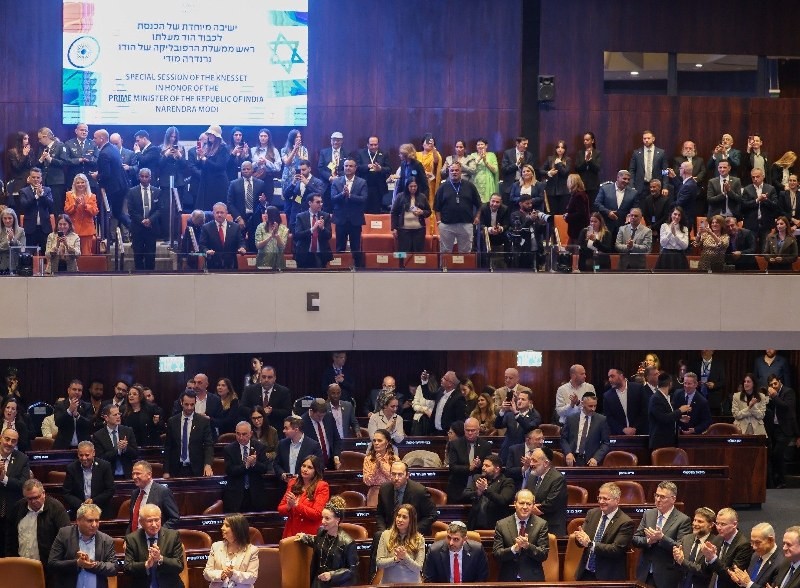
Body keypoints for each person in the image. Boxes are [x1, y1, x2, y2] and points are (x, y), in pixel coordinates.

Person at [632, 480, 693, 588]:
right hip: (645, 573)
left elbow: (682, 547)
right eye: (657, 495)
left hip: (666, 576)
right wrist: (648, 541)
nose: (658, 500)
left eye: (662, 497)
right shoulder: (648, 514)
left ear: (673, 499)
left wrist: (662, 538)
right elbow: (635, 539)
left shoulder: (683, 520)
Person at [572, 482, 634, 580]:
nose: (601, 501)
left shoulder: (625, 522)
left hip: (608, 577)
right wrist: (579, 538)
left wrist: (590, 544)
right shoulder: (592, 513)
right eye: (599, 498)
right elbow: (582, 541)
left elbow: (616, 550)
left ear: (617, 500)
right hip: (585, 574)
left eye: (605, 498)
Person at [47, 503, 117, 588]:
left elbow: (113, 567)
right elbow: (52, 564)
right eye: (90, 521)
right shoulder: (64, 534)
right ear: (78, 521)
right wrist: (77, 563)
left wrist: (92, 564)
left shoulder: (106, 540)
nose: (94, 525)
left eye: (97, 520)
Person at [296, 497, 358, 588]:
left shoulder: (348, 542)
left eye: (327, 518)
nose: (322, 521)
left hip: (336, 584)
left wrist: (332, 575)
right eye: (322, 517)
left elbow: (352, 571)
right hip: (318, 582)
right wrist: (304, 537)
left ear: (337, 520)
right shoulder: (321, 532)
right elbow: (317, 542)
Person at [6, 478, 71, 566]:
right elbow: (10, 536)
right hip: (21, 564)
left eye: (36, 497)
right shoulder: (18, 507)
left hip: (47, 566)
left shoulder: (56, 509)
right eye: (29, 499)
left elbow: (66, 539)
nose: (33, 502)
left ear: (43, 493)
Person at [493, 489, 550, 581]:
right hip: (508, 579)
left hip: (532, 579)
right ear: (515, 503)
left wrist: (528, 546)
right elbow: (497, 555)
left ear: (533, 505)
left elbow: (543, 555)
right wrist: (513, 549)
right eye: (522, 503)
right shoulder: (501, 524)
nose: (525, 507)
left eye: (529, 504)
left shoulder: (541, 524)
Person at [124, 503, 185, 588]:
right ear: (141, 522)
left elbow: (179, 565)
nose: (154, 524)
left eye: (157, 520)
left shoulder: (173, 536)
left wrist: (160, 558)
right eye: (149, 521)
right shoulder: (132, 539)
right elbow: (127, 568)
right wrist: (146, 565)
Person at [375, 461, 437, 536]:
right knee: (378, 535)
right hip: (390, 533)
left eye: (400, 475)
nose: (396, 478)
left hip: (412, 534)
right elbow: (380, 514)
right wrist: (383, 532)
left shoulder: (419, 491)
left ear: (407, 475)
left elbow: (432, 515)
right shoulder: (384, 489)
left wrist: (412, 531)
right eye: (393, 474)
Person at [163, 390, 214, 478]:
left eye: (192, 404)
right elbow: (168, 447)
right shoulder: (172, 421)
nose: (189, 407)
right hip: (176, 469)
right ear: (181, 402)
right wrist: (166, 471)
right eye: (186, 404)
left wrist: (208, 464)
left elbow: (208, 445)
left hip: (196, 468)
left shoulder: (203, 422)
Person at [700, 507, 754, 588]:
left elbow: (733, 578)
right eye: (717, 523)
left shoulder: (743, 545)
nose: (718, 527)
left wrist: (713, 558)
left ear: (734, 524)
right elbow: (705, 571)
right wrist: (707, 558)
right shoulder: (718, 538)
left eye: (723, 524)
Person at [435, 162, 482, 253]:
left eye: (456, 170)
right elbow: (437, 207)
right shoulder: (442, 187)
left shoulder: (470, 186)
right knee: (445, 252)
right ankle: (445, 264)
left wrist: (477, 217)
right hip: (446, 225)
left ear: (461, 172)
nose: (454, 172)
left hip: (466, 224)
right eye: (452, 170)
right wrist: (439, 222)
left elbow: (479, 204)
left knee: (465, 252)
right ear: (449, 172)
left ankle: (464, 264)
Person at [223, 421, 270, 513]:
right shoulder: (229, 449)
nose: (241, 437)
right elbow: (229, 470)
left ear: (251, 433)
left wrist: (254, 464)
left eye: (244, 434)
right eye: (238, 434)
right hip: (236, 494)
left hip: (255, 494)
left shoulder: (260, 447)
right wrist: (246, 466)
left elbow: (265, 468)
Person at [278, 455, 330, 538]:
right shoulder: (293, 483)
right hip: (291, 532)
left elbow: (317, 514)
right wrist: (289, 506)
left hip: (309, 535)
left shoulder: (322, 486)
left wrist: (297, 505)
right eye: (303, 466)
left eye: (310, 467)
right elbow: (280, 509)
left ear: (316, 471)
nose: (305, 469)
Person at [203, 513, 259, 588]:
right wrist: (220, 575)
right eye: (223, 525)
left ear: (237, 529)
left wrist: (233, 574)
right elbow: (206, 573)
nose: (222, 528)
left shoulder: (252, 550)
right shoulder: (216, 546)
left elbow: (252, 577)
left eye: (227, 525)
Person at [62, 440, 115, 519]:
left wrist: (93, 501)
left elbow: (110, 490)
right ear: (77, 454)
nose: (84, 458)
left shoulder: (104, 466)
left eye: (87, 455)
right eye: (81, 455)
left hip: (101, 510)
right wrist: (81, 505)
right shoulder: (72, 468)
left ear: (93, 453)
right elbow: (66, 492)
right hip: (79, 511)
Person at [424, 520, 489, 582]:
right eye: (449, 538)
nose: (451, 543)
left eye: (456, 539)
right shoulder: (434, 551)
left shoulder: (477, 550)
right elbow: (429, 580)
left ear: (465, 539)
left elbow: (482, 578)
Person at [376, 503, 426, 583]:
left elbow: (418, 568)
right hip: (389, 584)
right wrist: (395, 559)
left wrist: (405, 557)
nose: (399, 520)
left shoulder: (419, 539)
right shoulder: (385, 535)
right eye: (398, 516)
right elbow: (379, 563)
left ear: (411, 520)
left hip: (412, 584)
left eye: (404, 517)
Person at [446, 417, 492, 503]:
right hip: (458, 488)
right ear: (464, 430)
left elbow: (489, 467)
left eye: (473, 430)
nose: (470, 433)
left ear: (478, 430)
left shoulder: (486, 445)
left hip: (478, 488)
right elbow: (452, 467)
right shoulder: (455, 444)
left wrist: (480, 465)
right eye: (467, 430)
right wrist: (469, 468)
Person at [463, 454, 515, 530]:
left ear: (497, 469)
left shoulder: (506, 482)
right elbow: (465, 494)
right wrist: (477, 493)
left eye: (487, 466)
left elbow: (503, 500)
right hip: (474, 525)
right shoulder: (477, 478)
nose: (483, 468)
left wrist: (486, 490)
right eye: (483, 465)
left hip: (495, 526)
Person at [92, 129, 130, 232]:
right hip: (122, 186)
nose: (93, 140)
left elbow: (106, 174)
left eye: (95, 138)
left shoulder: (104, 153)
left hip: (114, 189)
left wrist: (97, 176)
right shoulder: (113, 148)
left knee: (111, 213)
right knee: (118, 213)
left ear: (102, 138)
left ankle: (134, 230)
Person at [0, 428, 31, 555]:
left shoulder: (22, 459)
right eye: (7, 439)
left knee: (10, 549)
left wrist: (4, 479)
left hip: (13, 512)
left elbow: (24, 484)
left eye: (13, 441)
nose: (9, 443)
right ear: (1, 438)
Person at [523, 447, 567, 536]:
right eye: (531, 460)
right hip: (533, 525)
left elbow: (550, 504)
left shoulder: (558, 478)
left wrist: (530, 508)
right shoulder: (532, 476)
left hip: (551, 527)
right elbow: (526, 496)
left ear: (546, 463)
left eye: (534, 461)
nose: (531, 464)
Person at [765, 374, 798, 489]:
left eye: (775, 383)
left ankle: (782, 481)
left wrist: (774, 396)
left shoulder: (788, 392)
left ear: (779, 382)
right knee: (774, 455)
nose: (774, 386)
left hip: (785, 429)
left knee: (777, 454)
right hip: (774, 428)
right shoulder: (772, 394)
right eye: (771, 385)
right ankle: (776, 480)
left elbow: (786, 407)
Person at [128, 460, 180, 533]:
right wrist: (128, 537)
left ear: (149, 475)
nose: (134, 477)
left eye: (138, 474)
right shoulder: (134, 493)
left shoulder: (163, 492)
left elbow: (174, 518)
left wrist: (158, 533)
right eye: (133, 474)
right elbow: (132, 521)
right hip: (135, 538)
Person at [560, 391, 611, 466]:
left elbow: (606, 443)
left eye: (595, 406)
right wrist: (568, 453)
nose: (593, 409)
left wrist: (596, 458)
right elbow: (563, 439)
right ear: (583, 404)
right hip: (572, 459)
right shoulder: (571, 419)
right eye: (590, 406)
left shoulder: (601, 420)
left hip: (591, 461)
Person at [726, 522, 784, 588]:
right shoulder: (755, 555)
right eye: (752, 542)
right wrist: (740, 581)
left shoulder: (780, 564)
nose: (754, 547)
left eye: (757, 542)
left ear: (770, 540)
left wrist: (748, 584)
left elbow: (749, 583)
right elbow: (748, 581)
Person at [226, 160, 266, 252]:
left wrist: (263, 202)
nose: (246, 171)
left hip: (255, 218)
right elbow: (229, 203)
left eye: (248, 169)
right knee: (239, 246)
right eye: (244, 169)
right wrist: (238, 218)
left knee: (255, 246)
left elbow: (265, 203)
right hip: (240, 217)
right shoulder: (234, 184)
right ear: (241, 170)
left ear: (252, 170)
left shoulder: (260, 183)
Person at [672, 506, 716, 588]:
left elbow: (705, 571)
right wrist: (676, 558)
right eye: (695, 520)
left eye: (700, 521)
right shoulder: (686, 539)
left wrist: (682, 561)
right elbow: (679, 567)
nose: (695, 524)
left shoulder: (715, 543)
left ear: (711, 525)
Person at [126, 168, 161, 270]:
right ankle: (139, 275)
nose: (144, 179)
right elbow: (131, 210)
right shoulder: (132, 191)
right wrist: (142, 220)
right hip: (137, 227)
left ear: (150, 178)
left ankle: (150, 276)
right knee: (138, 255)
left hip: (152, 227)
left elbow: (160, 209)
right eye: (142, 176)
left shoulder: (157, 191)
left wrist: (150, 220)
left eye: (146, 177)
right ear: (139, 177)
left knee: (150, 255)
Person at [241, 366, 293, 434]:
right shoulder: (249, 390)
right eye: (263, 377)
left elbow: (287, 412)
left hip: (276, 431)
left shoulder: (283, 391)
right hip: (253, 430)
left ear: (275, 378)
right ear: (260, 377)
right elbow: (242, 408)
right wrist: (257, 412)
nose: (266, 380)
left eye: (269, 377)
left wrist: (272, 411)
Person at [495, 388, 541, 463]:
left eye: (523, 399)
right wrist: (502, 410)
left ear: (530, 402)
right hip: (506, 452)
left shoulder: (535, 416)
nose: (519, 401)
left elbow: (528, 428)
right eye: (519, 399)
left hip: (523, 454)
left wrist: (516, 414)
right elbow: (498, 425)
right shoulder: (510, 414)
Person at [92, 403, 138, 478]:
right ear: (106, 418)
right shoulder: (98, 436)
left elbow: (135, 454)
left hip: (127, 475)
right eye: (115, 415)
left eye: (119, 414)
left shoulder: (128, 431)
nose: (118, 417)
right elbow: (100, 459)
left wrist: (125, 448)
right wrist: (118, 450)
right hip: (108, 476)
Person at [649, 373, 692, 449]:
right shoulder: (656, 398)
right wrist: (680, 410)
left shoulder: (664, 397)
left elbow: (667, 415)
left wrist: (679, 417)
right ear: (670, 383)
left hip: (667, 441)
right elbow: (663, 418)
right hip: (660, 442)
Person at [274, 416, 323, 481]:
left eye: (286, 428)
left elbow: (319, 467)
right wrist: (282, 474)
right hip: (285, 484)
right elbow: (276, 464)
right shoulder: (282, 444)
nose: (284, 431)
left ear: (296, 430)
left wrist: (301, 477)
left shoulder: (313, 446)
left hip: (306, 485)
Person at [17, 167, 54, 254]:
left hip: (44, 228)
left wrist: (42, 195)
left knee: (46, 254)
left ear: (41, 179)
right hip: (30, 229)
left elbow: (51, 204)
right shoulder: (23, 191)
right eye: (33, 177)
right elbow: (24, 205)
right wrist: (36, 196)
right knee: (29, 255)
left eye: (38, 177)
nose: (36, 179)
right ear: (29, 178)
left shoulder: (47, 190)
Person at [200, 202, 246, 270]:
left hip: (231, 265)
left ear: (226, 213)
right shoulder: (206, 227)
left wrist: (242, 248)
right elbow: (202, 245)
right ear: (213, 213)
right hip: (212, 265)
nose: (219, 215)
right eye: (217, 212)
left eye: (222, 212)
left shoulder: (235, 227)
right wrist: (206, 251)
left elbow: (241, 242)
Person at [420, 369, 467, 436]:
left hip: (448, 434)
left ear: (450, 383)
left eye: (444, 378)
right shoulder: (441, 390)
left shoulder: (459, 398)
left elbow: (459, 420)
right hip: (434, 432)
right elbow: (428, 396)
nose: (441, 379)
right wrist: (424, 382)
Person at [604, 368, 649, 436]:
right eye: (609, 377)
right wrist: (623, 429)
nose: (610, 379)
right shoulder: (607, 396)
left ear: (621, 376)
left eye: (612, 376)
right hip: (619, 435)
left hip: (640, 433)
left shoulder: (637, 388)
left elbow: (645, 410)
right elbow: (609, 417)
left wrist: (635, 428)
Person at [742, 167, 779, 250]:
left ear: (763, 176)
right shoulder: (747, 189)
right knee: (751, 249)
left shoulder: (771, 189)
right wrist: (757, 200)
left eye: (757, 176)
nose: (755, 179)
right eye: (753, 177)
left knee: (765, 249)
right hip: (751, 224)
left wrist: (766, 200)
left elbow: (775, 205)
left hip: (766, 224)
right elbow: (743, 205)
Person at [196, 125, 230, 212]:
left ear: (217, 136)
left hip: (218, 184)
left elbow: (220, 166)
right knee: (206, 209)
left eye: (212, 134)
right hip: (207, 183)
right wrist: (200, 157)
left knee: (216, 209)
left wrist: (204, 158)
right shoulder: (208, 147)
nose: (210, 136)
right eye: (209, 134)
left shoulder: (223, 148)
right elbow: (200, 166)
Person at [36, 127, 70, 215]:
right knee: (46, 208)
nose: (39, 141)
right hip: (44, 182)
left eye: (40, 138)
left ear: (46, 136)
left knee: (56, 207)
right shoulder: (42, 148)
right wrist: (41, 160)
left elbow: (64, 162)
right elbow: (38, 167)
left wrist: (50, 159)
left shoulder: (60, 146)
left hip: (56, 182)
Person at [283, 157, 323, 233]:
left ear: (309, 169)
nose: (301, 172)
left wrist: (307, 183)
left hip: (309, 216)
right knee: (294, 238)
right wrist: (293, 183)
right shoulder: (297, 181)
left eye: (304, 170)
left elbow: (319, 194)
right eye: (300, 170)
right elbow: (286, 195)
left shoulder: (317, 182)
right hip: (295, 216)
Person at [293, 193, 333, 268]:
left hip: (320, 254)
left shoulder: (325, 216)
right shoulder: (301, 216)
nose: (320, 204)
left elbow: (329, 236)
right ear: (310, 203)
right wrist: (312, 229)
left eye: (321, 202)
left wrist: (322, 228)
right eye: (318, 202)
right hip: (304, 253)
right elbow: (297, 235)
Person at [391, 178, 430, 252]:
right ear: (407, 186)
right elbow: (394, 212)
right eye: (411, 186)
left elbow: (429, 211)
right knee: (403, 253)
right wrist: (394, 228)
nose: (413, 188)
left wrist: (422, 212)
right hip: (403, 230)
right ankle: (402, 260)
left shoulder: (422, 197)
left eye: (415, 186)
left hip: (419, 231)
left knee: (418, 253)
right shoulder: (400, 196)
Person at [594, 169, 638, 237]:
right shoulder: (605, 189)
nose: (626, 181)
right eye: (624, 179)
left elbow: (635, 209)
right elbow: (597, 203)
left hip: (623, 227)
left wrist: (630, 216)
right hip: (606, 226)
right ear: (617, 177)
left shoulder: (633, 193)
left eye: (628, 179)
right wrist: (608, 212)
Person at [302, 398, 342, 470]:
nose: (321, 418)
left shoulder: (329, 416)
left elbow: (336, 439)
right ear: (311, 411)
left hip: (331, 463)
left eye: (323, 415)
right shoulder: (303, 422)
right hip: (313, 466)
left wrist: (336, 456)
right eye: (319, 416)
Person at [354, 138, 391, 214]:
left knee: (376, 211)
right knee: (363, 211)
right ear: (367, 144)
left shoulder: (384, 154)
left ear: (378, 144)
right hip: (363, 187)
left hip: (378, 188)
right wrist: (367, 166)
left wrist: (380, 169)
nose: (373, 147)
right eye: (371, 145)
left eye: (375, 145)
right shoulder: (360, 153)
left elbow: (389, 169)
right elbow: (356, 167)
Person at [54, 379, 94, 449]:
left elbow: (90, 425)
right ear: (68, 390)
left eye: (79, 390)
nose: (77, 392)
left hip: (83, 447)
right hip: (63, 446)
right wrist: (69, 411)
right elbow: (58, 422)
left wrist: (77, 415)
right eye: (74, 389)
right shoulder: (60, 405)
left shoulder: (87, 406)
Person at [63, 173, 99, 248]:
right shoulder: (69, 195)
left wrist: (86, 205)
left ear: (86, 183)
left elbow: (95, 212)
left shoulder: (92, 196)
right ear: (74, 184)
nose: (80, 184)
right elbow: (66, 211)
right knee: (72, 252)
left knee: (86, 254)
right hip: (72, 229)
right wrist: (75, 205)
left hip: (87, 230)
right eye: (78, 183)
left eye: (82, 182)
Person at [477, 192, 510, 268]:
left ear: (501, 203)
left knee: (508, 236)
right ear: (489, 201)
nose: (494, 204)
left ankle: (507, 262)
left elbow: (507, 224)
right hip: (486, 232)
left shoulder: (505, 209)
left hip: (499, 233)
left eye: (497, 202)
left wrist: (500, 228)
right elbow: (480, 224)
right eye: (493, 201)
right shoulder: (483, 208)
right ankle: (484, 264)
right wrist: (490, 229)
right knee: (481, 234)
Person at [630, 130, 667, 196]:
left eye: (648, 138)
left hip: (656, 186)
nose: (646, 140)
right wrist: (632, 186)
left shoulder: (661, 153)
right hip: (640, 187)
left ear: (653, 139)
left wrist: (665, 187)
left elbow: (665, 171)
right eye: (644, 138)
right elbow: (632, 170)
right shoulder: (636, 153)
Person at [539, 140, 571, 213]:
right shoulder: (550, 158)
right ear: (556, 149)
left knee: (562, 212)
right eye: (558, 147)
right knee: (552, 212)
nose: (560, 149)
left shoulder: (568, 159)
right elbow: (540, 170)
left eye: (562, 147)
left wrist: (559, 163)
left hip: (564, 190)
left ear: (565, 149)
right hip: (551, 190)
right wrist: (549, 173)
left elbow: (565, 173)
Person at [5, 131, 35, 208]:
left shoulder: (30, 150)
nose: (27, 141)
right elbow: (17, 168)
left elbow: (32, 166)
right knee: (19, 206)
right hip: (18, 182)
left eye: (28, 139)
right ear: (19, 140)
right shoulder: (12, 152)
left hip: (29, 181)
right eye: (25, 139)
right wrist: (24, 156)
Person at [318, 131, 347, 210]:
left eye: (338, 140)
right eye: (334, 140)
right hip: (326, 184)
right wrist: (330, 177)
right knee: (326, 208)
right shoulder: (324, 152)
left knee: (339, 207)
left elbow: (348, 169)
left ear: (342, 141)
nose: (335, 142)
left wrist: (338, 178)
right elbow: (320, 168)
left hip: (341, 184)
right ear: (331, 140)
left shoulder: (346, 153)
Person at [501, 136, 535, 203]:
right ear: (517, 143)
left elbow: (531, 170)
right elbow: (504, 169)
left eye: (527, 144)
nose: (526, 146)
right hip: (510, 185)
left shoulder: (529, 155)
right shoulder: (508, 153)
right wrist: (516, 164)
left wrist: (523, 165)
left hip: (524, 185)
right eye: (524, 144)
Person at [465, 137, 499, 204]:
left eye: (482, 144)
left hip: (488, 182)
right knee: (476, 202)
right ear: (476, 146)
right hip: (476, 181)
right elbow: (470, 168)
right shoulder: (472, 155)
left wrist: (485, 162)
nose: (480, 146)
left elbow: (495, 170)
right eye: (478, 145)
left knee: (487, 203)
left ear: (486, 146)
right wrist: (479, 158)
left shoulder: (491, 155)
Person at [668, 160, 700, 229]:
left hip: (685, 220)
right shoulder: (690, 182)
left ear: (683, 170)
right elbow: (681, 187)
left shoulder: (688, 185)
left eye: (680, 168)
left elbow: (679, 203)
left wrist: (666, 205)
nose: (679, 169)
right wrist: (674, 177)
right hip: (686, 218)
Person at [564, 173, 590, 243]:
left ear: (572, 183)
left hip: (577, 230)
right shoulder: (580, 194)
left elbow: (581, 213)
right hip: (577, 230)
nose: (567, 183)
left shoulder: (578, 196)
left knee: (574, 248)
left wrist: (568, 216)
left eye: (568, 181)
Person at [576, 131, 602, 200]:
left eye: (587, 140)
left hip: (593, 185)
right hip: (581, 184)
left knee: (592, 205)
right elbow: (577, 168)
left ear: (592, 141)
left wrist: (590, 161)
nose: (585, 141)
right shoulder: (580, 153)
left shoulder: (597, 153)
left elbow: (597, 168)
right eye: (584, 140)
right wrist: (585, 161)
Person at [0, 207, 26, 274]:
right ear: (2, 219)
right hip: (1, 265)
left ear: (14, 219)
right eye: (5, 218)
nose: (7, 221)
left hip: (16, 265)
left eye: (10, 218)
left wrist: (13, 240)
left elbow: (23, 249)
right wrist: (8, 240)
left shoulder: (20, 231)